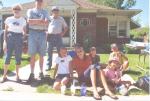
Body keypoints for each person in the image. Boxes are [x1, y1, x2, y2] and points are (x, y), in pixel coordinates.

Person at [1, 4, 26, 83]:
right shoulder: (8, 19)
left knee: (18, 57)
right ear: (13, 10)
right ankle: (4, 76)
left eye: (18, 9)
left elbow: (24, 31)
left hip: (19, 38)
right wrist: (5, 41)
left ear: (20, 10)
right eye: (15, 9)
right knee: (7, 57)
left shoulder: (23, 20)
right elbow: (5, 31)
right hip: (10, 37)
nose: (16, 10)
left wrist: (23, 38)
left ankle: (17, 76)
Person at [26, 0, 49, 82]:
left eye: (40, 1)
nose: (39, 2)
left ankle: (41, 72)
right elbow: (29, 22)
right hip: (32, 33)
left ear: (42, 2)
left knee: (41, 55)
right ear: (35, 2)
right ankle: (32, 73)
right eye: (37, 1)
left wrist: (35, 21)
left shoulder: (45, 12)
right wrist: (40, 21)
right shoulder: (30, 11)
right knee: (32, 55)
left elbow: (46, 23)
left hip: (42, 33)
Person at [47, 6, 68, 71]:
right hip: (50, 36)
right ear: (52, 11)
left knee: (60, 51)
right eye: (54, 10)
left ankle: (61, 65)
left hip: (58, 36)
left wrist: (62, 33)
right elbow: (44, 26)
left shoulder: (61, 19)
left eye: (57, 10)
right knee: (49, 51)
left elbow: (66, 27)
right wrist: (46, 32)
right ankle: (49, 66)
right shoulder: (49, 18)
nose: (55, 11)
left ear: (58, 12)